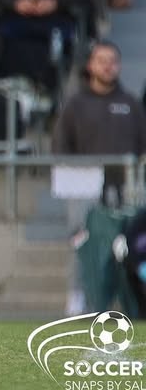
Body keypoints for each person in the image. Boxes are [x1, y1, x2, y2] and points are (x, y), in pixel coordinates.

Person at [55, 41, 146, 314]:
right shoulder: (75, 105)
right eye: (101, 60)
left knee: (124, 245)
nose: (108, 66)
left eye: (112, 61)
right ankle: (78, 296)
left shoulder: (130, 103)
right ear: (90, 65)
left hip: (125, 187)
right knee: (82, 243)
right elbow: (61, 146)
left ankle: (124, 300)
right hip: (85, 186)